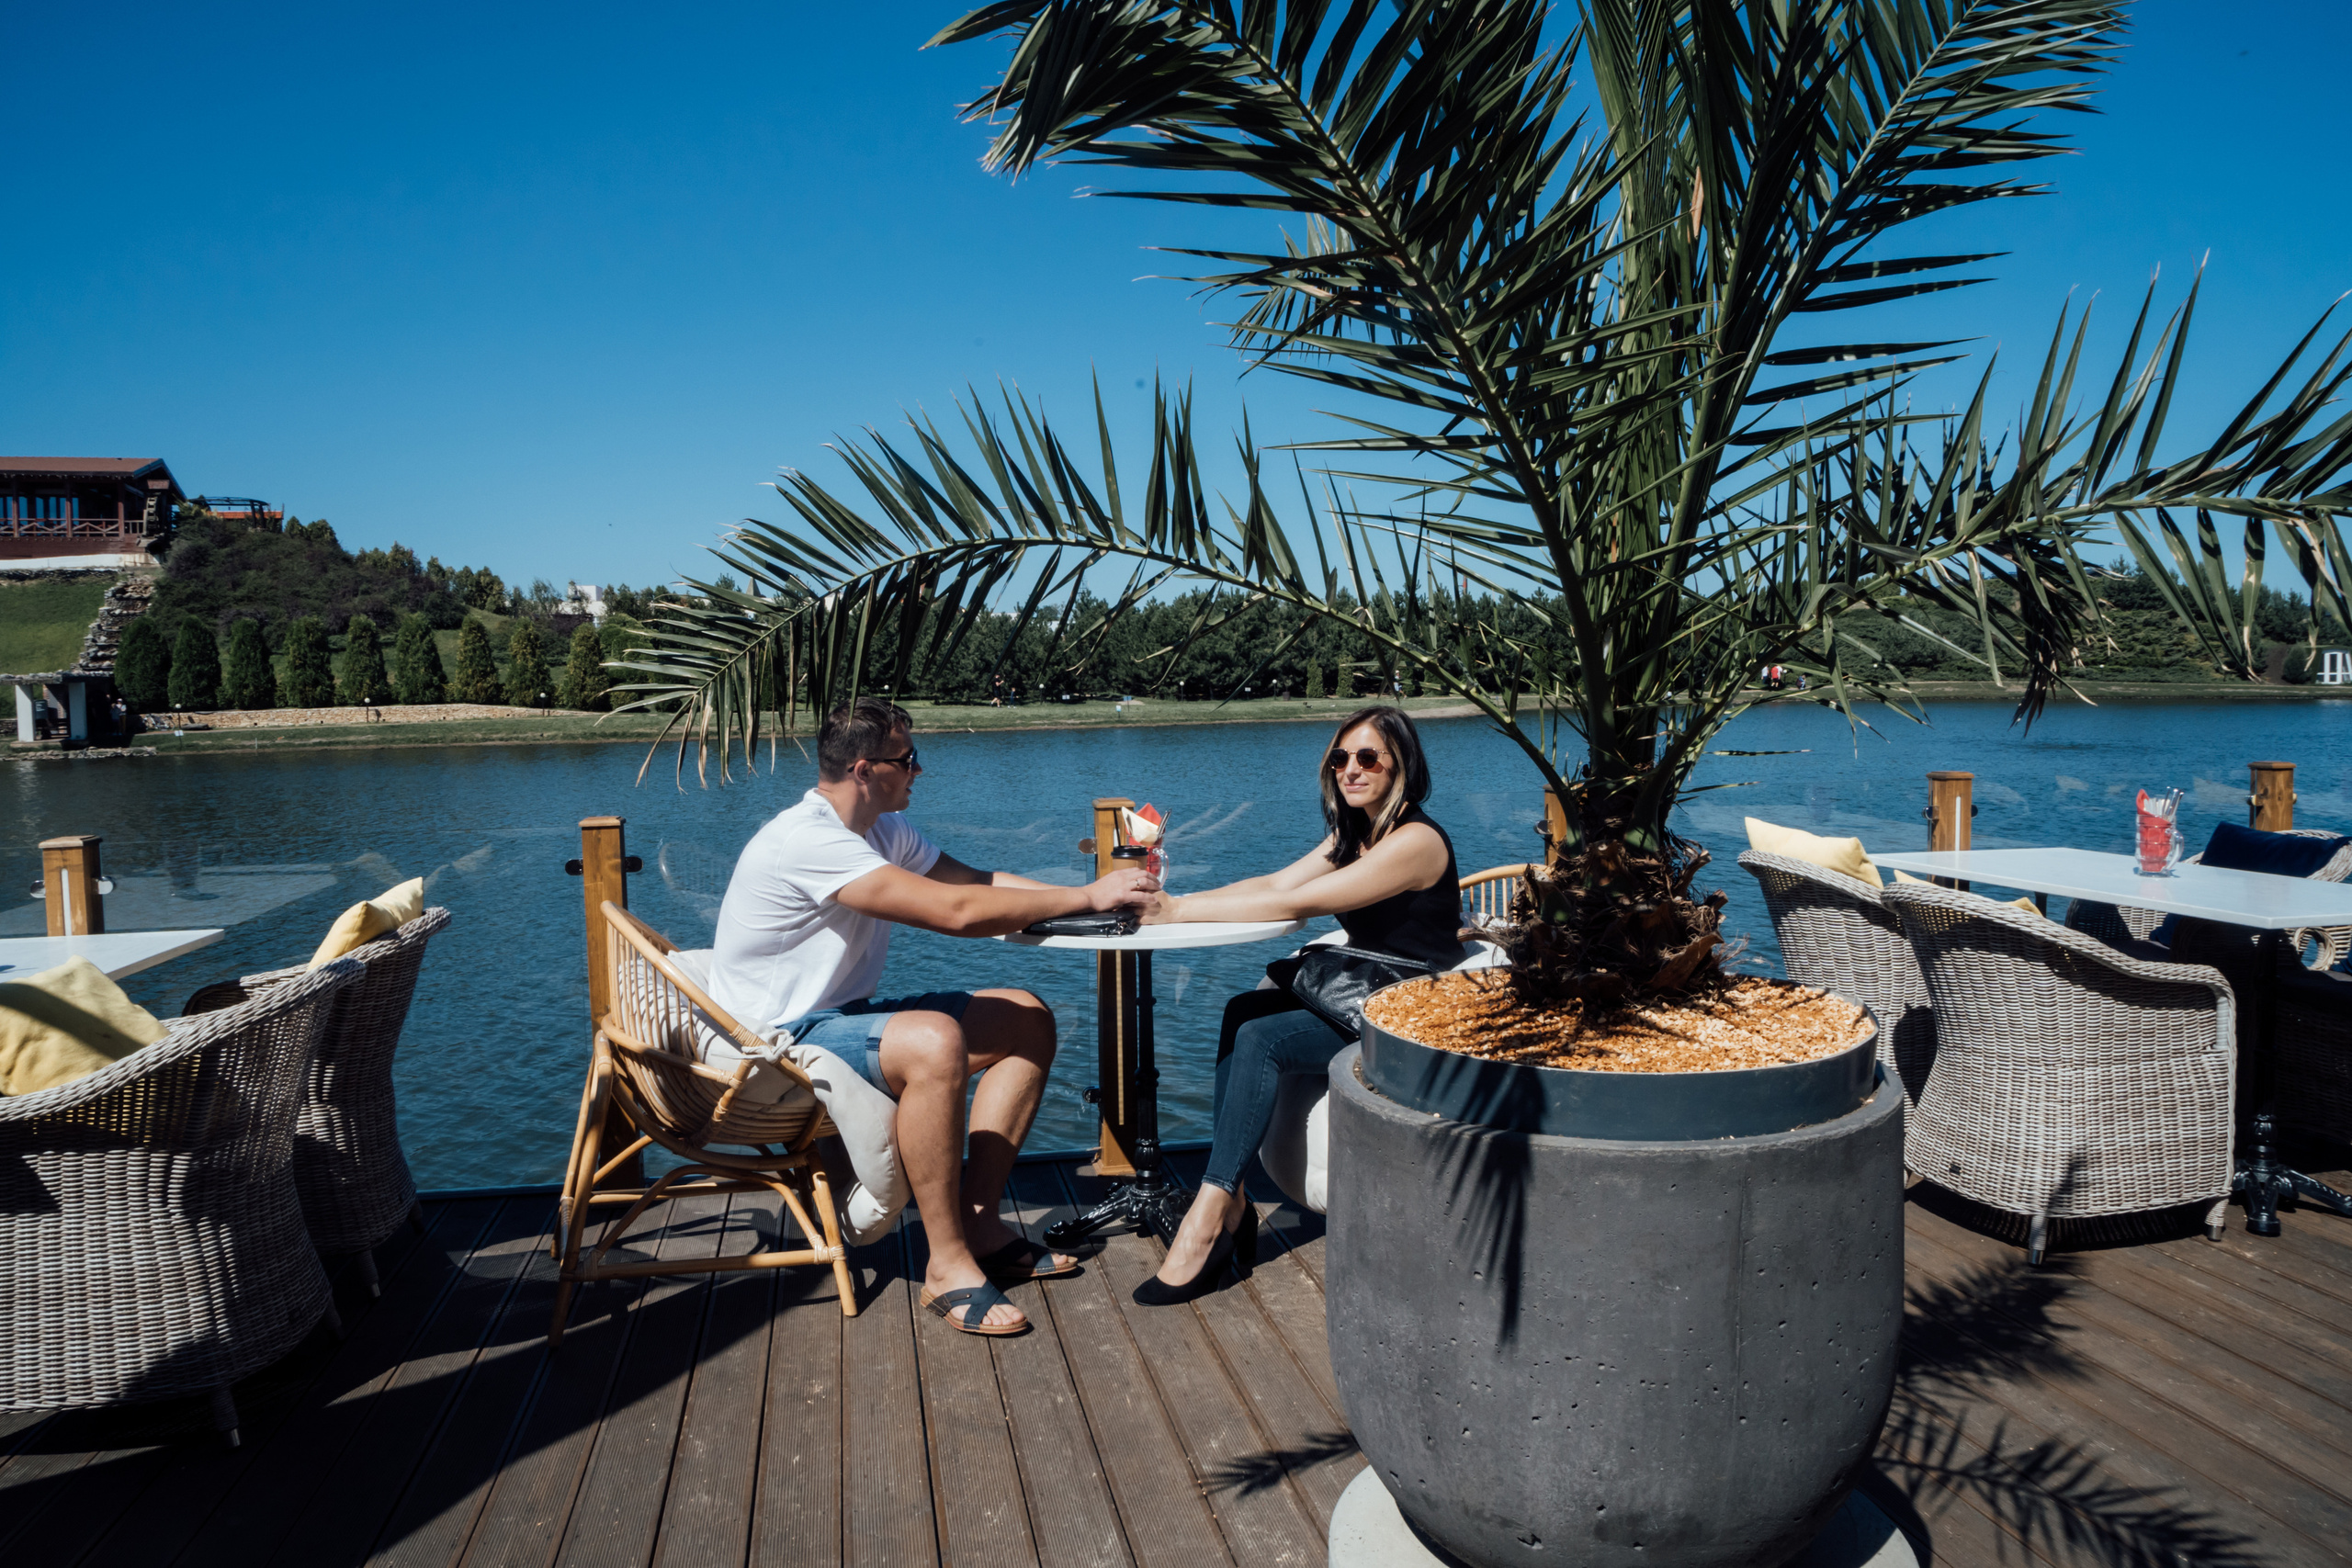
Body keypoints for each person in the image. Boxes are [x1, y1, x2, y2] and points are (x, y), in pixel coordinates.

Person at [707, 697, 1159, 1336]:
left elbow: (974, 881)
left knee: (1027, 1018)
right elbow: (955, 914)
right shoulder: (810, 840)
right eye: (909, 759)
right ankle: (945, 1264)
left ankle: (978, 1224)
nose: (920, 769)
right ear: (866, 769)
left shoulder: (881, 830)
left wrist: (1087, 907)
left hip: (837, 1015)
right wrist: (1088, 892)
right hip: (774, 1038)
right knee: (935, 1039)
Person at [1131, 705, 1463, 1305]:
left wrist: (1177, 913)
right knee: (1243, 1011)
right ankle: (1230, 1197)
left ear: (1402, 767)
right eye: (1339, 758)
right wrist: (1175, 899)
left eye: (1367, 757)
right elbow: (1276, 885)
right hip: (1370, 993)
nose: (1350, 769)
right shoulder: (1355, 833)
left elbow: (1300, 905)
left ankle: (1210, 1212)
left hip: (1410, 1012)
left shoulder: (1415, 840)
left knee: (1263, 1038)